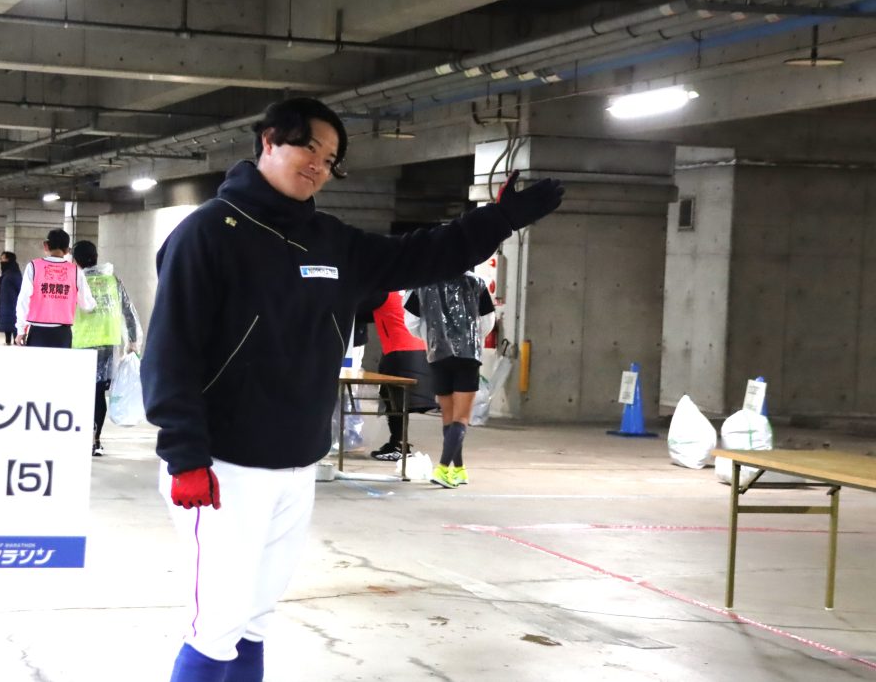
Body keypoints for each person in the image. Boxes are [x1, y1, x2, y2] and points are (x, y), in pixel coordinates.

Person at [140, 96, 563, 682]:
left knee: (255, 620)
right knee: (216, 625)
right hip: (222, 465)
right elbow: (171, 351)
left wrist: (499, 219)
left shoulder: (331, 240)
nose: (319, 164)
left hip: (297, 462)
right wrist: (184, 453)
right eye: (309, 147)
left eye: (331, 158)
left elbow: (423, 254)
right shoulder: (210, 232)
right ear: (269, 141)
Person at [404, 272, 495, 488]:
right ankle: (443, 469)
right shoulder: (477, 283)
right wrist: (469, 336)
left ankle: (459, 469)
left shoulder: (423, 282)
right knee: (461, 418)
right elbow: (487, 322)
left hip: (438, 354)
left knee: (448, 417)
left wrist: (433, 336)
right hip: (468, 355)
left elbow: (412, 321)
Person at [71, 240, 143, 456]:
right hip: (107, 343)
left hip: (80, 342)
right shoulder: (112, 280)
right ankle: (95, 440)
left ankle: (79, 435)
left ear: (75, 260)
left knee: (80, 392)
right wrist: (133, 340)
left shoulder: (75, 280)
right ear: (95, 257)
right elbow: (128, 310)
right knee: (98, 393)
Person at [359, 290, 437, 461]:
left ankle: (398, 445)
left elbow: (359, 311)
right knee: (398, 402)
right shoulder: (409, 291)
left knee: (395, 403)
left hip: (399, 351)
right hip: (421, 350)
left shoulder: (382, 293)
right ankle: (398, 443)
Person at [14, 228, 95, 348]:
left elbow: (23, 300)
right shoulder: (76, 271)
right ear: (67, 250)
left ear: (46, 245)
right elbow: (87, 305)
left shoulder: (33, 267)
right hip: (62, 333)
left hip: (37, 332)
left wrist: (21, 330)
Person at [0, 251, 22, 345]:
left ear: (9, 260)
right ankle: (7, 340)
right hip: (5, 303)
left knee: (13, 321)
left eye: (3, 258)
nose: (1, 261)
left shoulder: (14, 273)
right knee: (7, 321)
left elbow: (20, 288)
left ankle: (16, 340)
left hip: (13, 303)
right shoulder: (6, 273)